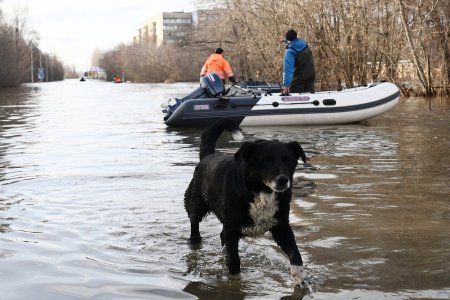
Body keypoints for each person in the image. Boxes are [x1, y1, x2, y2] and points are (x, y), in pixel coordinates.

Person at [282, 29, 315, 94]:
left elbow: (288, 69)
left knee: (293, 98)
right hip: (311, 74)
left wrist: (286, 84)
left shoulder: (290, 52)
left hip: (299, 78)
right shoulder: (304, 43)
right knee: (310, 98)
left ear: (288, 38)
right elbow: (295, 44)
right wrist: (286, 41)